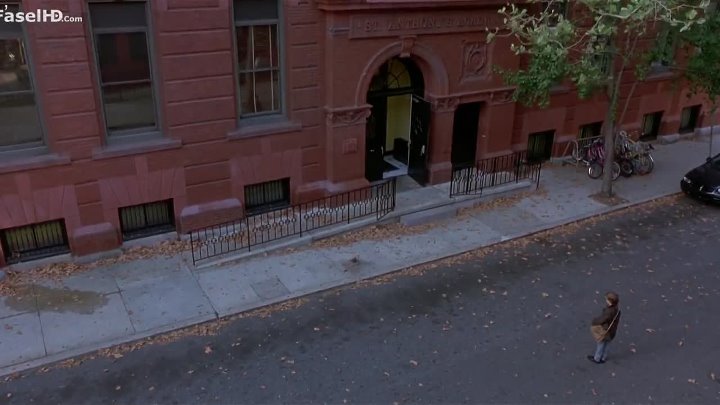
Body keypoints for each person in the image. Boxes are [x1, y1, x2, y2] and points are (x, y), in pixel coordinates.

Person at [588, 291, 621, 364]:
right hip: (612, 331)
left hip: (605, 330)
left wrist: (594, 321)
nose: (606, 301)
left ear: (610, 301)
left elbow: (602, 319)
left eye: (607, 299)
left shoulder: (609, 311)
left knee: (601, 343)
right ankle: (603, 358)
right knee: (607, 344)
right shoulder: (617, 310)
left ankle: (597, 358)